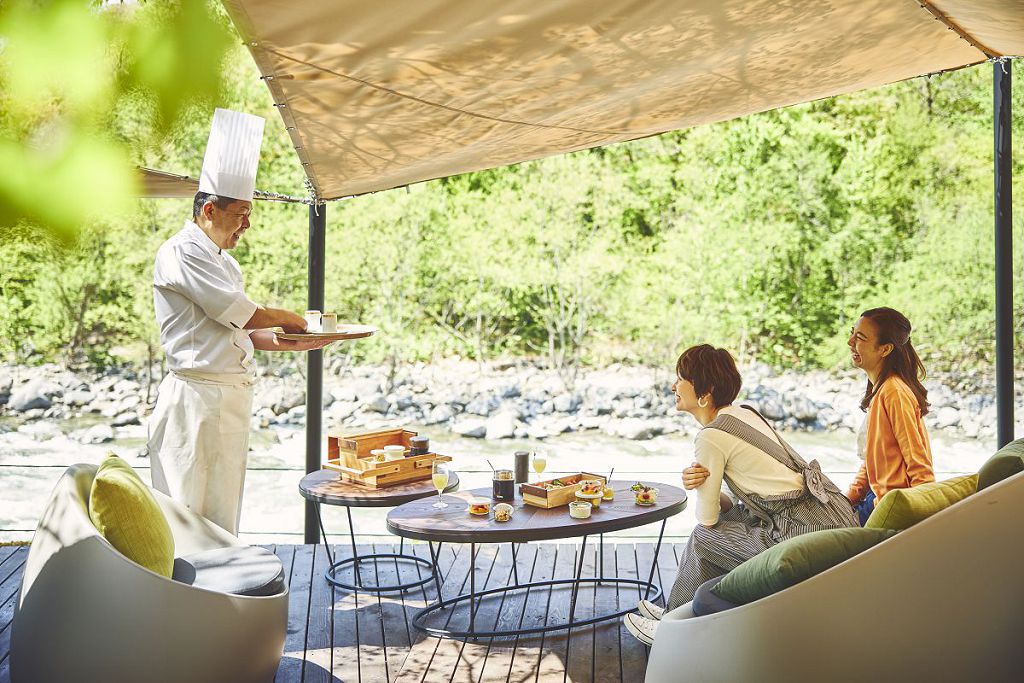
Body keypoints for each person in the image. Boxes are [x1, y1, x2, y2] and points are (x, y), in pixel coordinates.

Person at [147, 108, 334, 535]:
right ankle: (183, 598)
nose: (246, 226)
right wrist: (295, 320)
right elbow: (244, 313)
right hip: (196, 401)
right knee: (187, 514)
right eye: (241, 214)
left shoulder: (224, 263)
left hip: (229, 398)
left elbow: (246, 331)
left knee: (223, 510)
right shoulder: (181, 252)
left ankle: (220, 594)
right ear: (209, 210)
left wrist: (295, 342)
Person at [624, 344, 857, 645]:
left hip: (801, 536)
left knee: (702, 537)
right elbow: (743, 501)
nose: (673, 386)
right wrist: (705, 486)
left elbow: (707, 520)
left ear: (704, 392)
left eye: (680, 378)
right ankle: (674, 615)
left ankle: (670, 629)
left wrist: (702, 489)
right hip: (829, 519)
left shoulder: (711, 436)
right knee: (726, 524)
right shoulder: (745, 414)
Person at [845, 307, 934, 525]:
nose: (850, 342)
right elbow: (872, 461)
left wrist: (928, 521)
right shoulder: (882, 389)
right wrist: (848, 498)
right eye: (852, 333)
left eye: (860, 338)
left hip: (888, 506)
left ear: (884, 349)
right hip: (873, 499)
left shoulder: (894, 392)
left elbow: (918, 463)